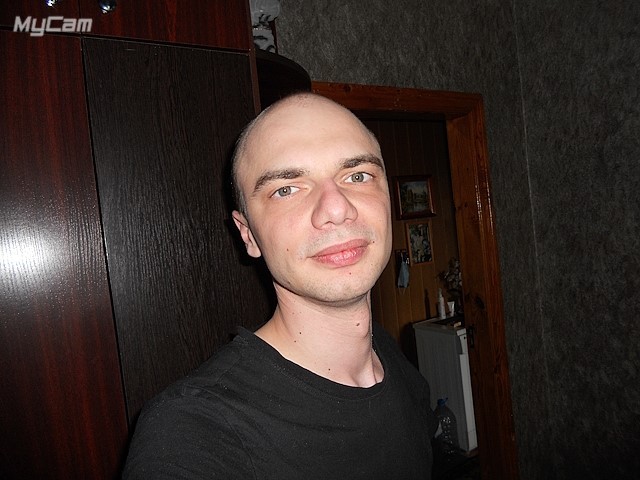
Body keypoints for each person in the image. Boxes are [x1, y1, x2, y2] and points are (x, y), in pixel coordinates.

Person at [122, 92, 438, 479]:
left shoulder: (394, 364)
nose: (337, 208)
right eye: (286, 189)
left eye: (357, 176)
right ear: (248, 235)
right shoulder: (193, 431)